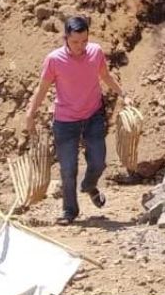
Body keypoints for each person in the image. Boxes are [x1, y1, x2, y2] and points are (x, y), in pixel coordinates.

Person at [24, 16, 124, 225]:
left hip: (93, 115)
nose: (80, 46)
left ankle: (89, 185)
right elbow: (42, 88)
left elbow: (105, 76)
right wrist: (30, 113)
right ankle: (69, 211)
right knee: (68, 169)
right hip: (65, 120)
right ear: (66, 38)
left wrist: (123, 94)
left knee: (98, 161)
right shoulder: (54, 59)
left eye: (84, 41)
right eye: (75, 42)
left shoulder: (95, 52)